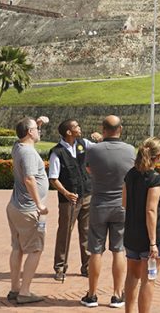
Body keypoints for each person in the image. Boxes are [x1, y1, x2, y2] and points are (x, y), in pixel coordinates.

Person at [81, 115, 136, 308]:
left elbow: (89, 170)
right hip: (122, 205)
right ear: (120, 129)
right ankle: (117, 294)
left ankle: (92, 294)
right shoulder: (130, 150)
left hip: (99, 204)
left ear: (103, 129)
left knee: (95, 250)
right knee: (118, 249)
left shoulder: (94, 150)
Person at [48, 119, 102, 282]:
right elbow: (53, 178)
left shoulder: (83, 143)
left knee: (86, 231)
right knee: (65, 232)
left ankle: (86, 266)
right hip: (69, 200)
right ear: (68, 132)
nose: (80, 128)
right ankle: (60, 267)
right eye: (76, 127)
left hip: (87, 194)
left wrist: (100, 140)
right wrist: (66, 193)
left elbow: (102, 150)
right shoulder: (56, 152)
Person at [5, 117, 49, 305]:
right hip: (28, 209)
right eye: (36, 130)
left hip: (15, 207)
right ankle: (24, 292)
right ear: (30, 133)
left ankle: (15, 288)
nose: (39, 132)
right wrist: (39, 204)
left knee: (18, 248)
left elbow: (25, 132)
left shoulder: (18, 146)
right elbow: (29, 179)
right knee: (35, 249)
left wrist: (36, 123)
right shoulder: (29, 153)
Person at [123, 137, 160, 313]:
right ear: (157, 157)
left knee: (132, 275)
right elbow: (151, 210)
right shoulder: (155, 178)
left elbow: (124, 202)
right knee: (149, 278)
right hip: (150, 234)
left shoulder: (130, 174)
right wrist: (153, 242)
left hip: (132, 231)